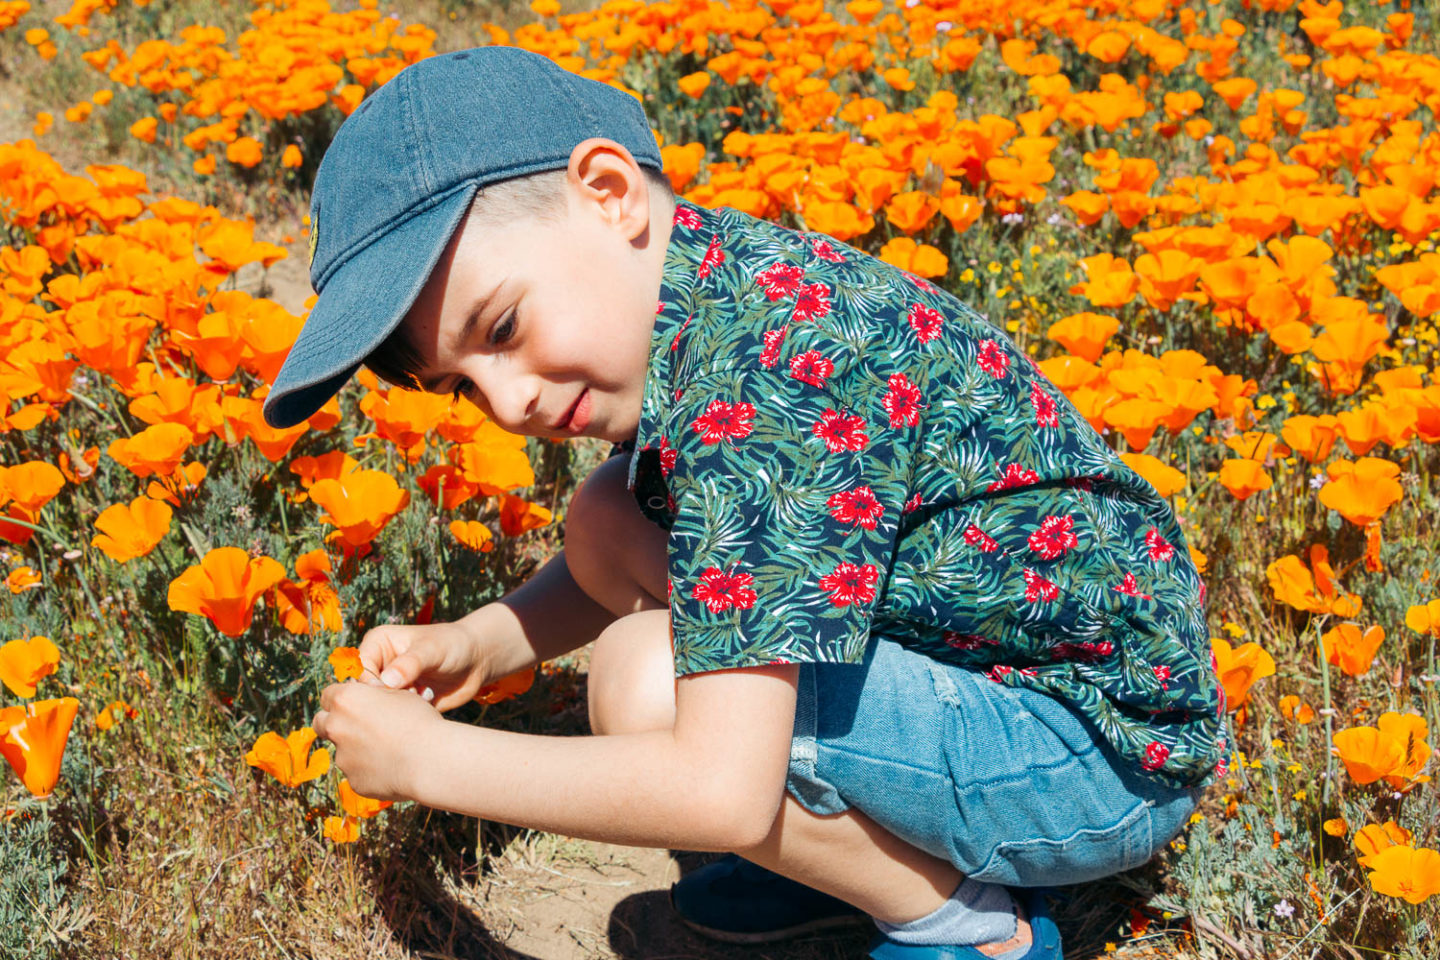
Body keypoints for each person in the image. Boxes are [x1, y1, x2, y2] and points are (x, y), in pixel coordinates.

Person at [271, 47, 1226, 960]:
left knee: (646, 682)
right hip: (997, 675)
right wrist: (488, 641)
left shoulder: (772, 377)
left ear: (608, 194)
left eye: (505, 327)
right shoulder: (717, 290)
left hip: (1095, 761)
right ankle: (832, 856)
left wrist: (427, 763)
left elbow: (719, 792)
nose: (509, 401)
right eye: (462, 384)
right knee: (612, 513)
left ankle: (959, 921)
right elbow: (639, 548)